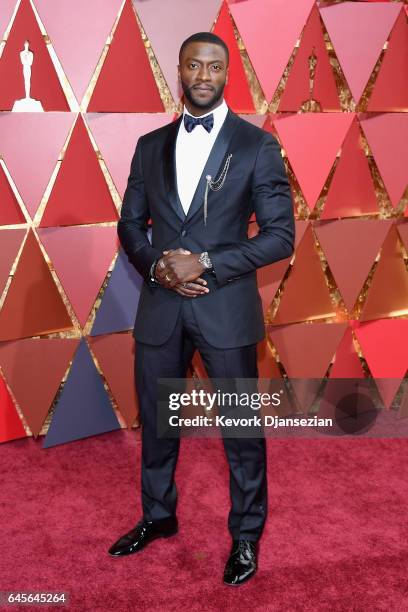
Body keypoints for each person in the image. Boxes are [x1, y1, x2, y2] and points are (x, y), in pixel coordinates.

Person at [108, 31, 295, 586]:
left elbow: (280, 237)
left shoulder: (256, 144)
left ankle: (245, 535)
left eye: (214, 66)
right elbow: (130, 224)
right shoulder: (149, 145)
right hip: (161, 306)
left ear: (227, 73)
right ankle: (157, 516)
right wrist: (159, 266)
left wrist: (206, 263)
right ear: (180, 71)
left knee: (239, 429)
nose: (204, 75)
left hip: (226, 309)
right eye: (194, 65)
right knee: (159, 425)